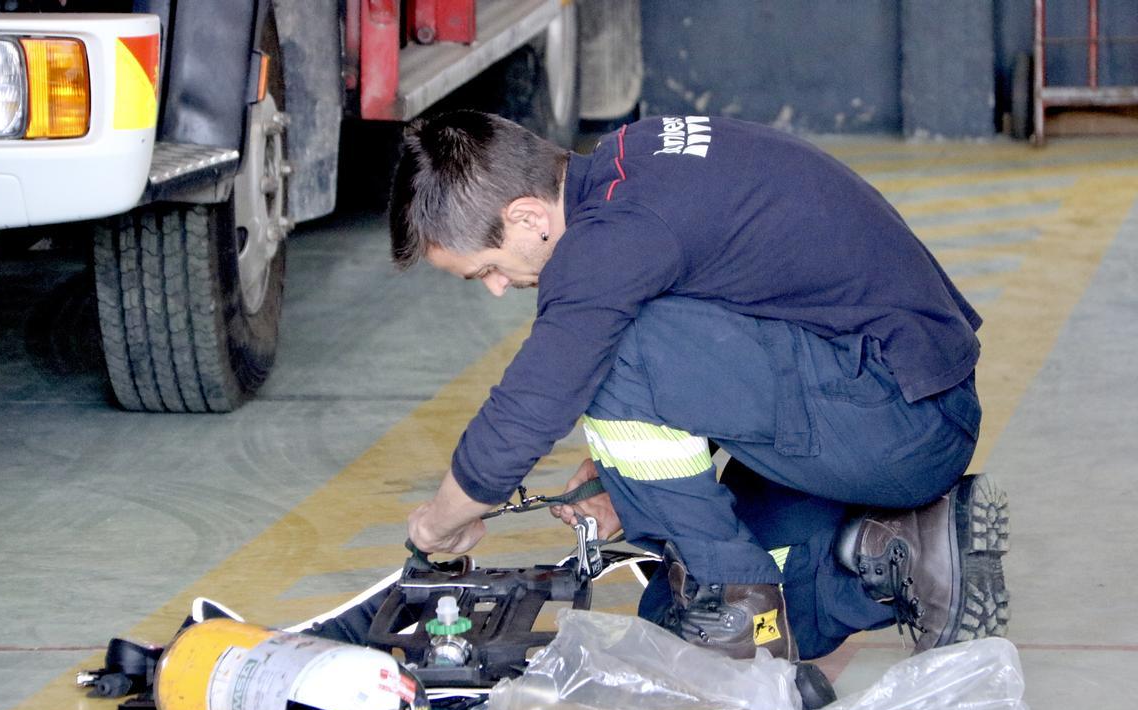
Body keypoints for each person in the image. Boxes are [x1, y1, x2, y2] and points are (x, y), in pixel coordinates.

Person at [389, 109, 1010, 661]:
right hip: (877, 399)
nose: (499, 286)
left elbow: (528, 410)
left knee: (609, 354)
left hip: (898, 422)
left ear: (526, 216)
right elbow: (725, 347)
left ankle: (737, 602)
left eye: (489, 269)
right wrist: (625, 487)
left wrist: (440, 526)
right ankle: (902, 549)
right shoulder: (634, 163)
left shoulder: (607, 244)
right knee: (670, 618)